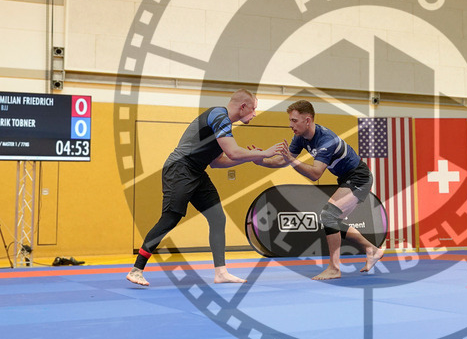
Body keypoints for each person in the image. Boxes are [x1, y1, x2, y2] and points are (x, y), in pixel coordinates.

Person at [127, 89, 284, 287]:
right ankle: (136, 269)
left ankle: (221, 272)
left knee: (217, 217)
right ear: (242, 107)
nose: (254, 114)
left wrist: (253, 157)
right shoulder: (219, 115)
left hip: (196, 172)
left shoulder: (224, 126)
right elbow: (234, 152)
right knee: (170, 218)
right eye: (253, 109)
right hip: (180, 168)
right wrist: (264, 154)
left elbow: (218, 162)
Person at [257, 100, 385, 280]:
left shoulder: (326, 140)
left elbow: (315, 174)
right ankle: (372, 249)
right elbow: (281, 161)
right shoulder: (301, 137)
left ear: (307, 120)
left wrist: (292, 161)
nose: (290, 125)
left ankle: (334, 268)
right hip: (346, 179)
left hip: (359, 178)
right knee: (332, 219)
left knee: (328, 215)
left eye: (294, 121)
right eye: (290, 121)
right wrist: (259, 159)